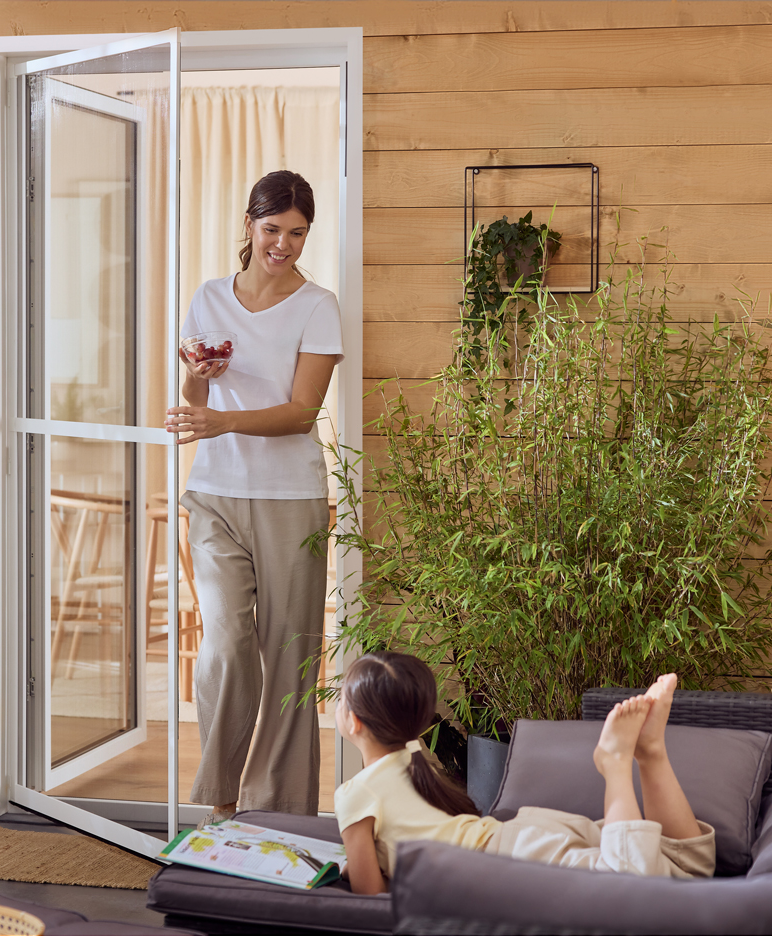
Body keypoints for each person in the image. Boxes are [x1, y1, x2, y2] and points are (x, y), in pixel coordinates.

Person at [165, 170, 344, 822]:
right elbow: (197, 401)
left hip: (289, 498)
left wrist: (221, 420)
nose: (284, 244)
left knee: (291, 661)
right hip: (212, 492)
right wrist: (197, 384)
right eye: (273, 229)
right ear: (250, 224)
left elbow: (302, 412)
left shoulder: (317, 306)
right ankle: (221, 805)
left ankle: (284, 817)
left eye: (297, 233)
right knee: (226, 644)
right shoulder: (209, 298)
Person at [335, 652, 716, 894]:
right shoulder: (414, 756)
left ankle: (615, 763)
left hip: (515, 864)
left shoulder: (355, 793)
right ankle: (651, 754)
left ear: (353, 722)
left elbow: (370, 895)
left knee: (631, 885)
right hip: (526, 839)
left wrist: (359, 864)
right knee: (690, 871)